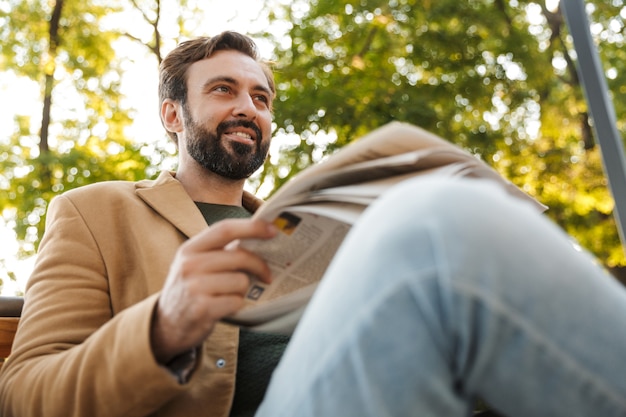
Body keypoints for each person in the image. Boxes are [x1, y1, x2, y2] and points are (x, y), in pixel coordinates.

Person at [1, 30, 626, 417]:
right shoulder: (96, 212)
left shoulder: (303, 233)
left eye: (261, 97)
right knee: (436, 217)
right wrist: (164, 326)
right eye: (223, 89)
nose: (247, 107)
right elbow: (24, 397)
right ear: (172, 115)